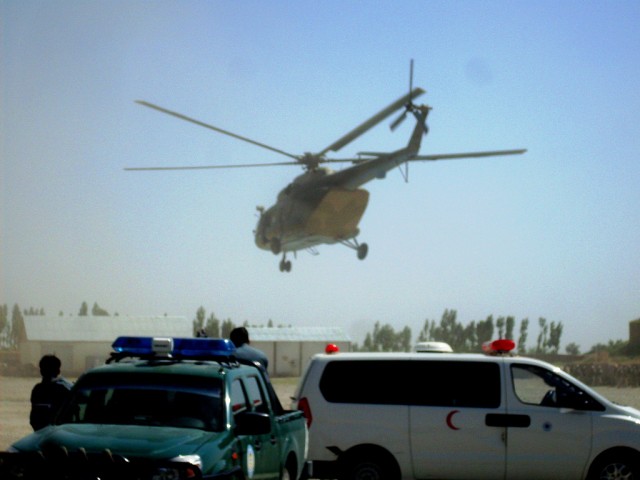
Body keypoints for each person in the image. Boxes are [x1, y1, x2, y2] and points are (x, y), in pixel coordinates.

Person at [30, 354, 73, 431]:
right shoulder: (63, 388)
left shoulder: (37, 389)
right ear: (58, 371)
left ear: (41, 371)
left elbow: (34, 418)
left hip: (40, 432)